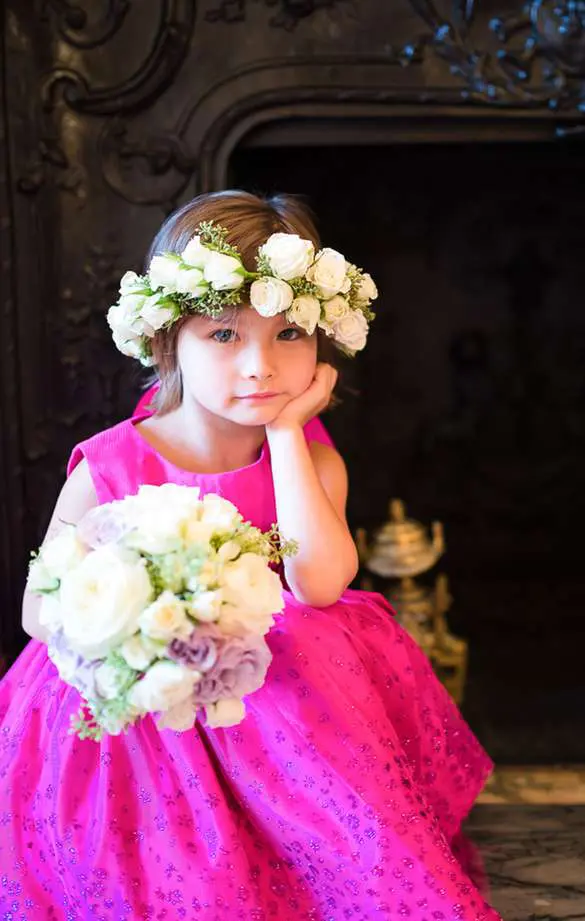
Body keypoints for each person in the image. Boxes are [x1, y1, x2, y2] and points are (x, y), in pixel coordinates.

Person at [0, 190, 502, 920]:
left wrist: (289, 433)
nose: (260, 366)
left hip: (277, 707)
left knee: (305, 636)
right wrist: (146, 624)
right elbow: (38, 611)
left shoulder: (309, 460)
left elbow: (321, 583)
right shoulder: (109, 464)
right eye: (224, 335)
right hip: (147, 704)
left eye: (290, 334)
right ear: (171, 339)